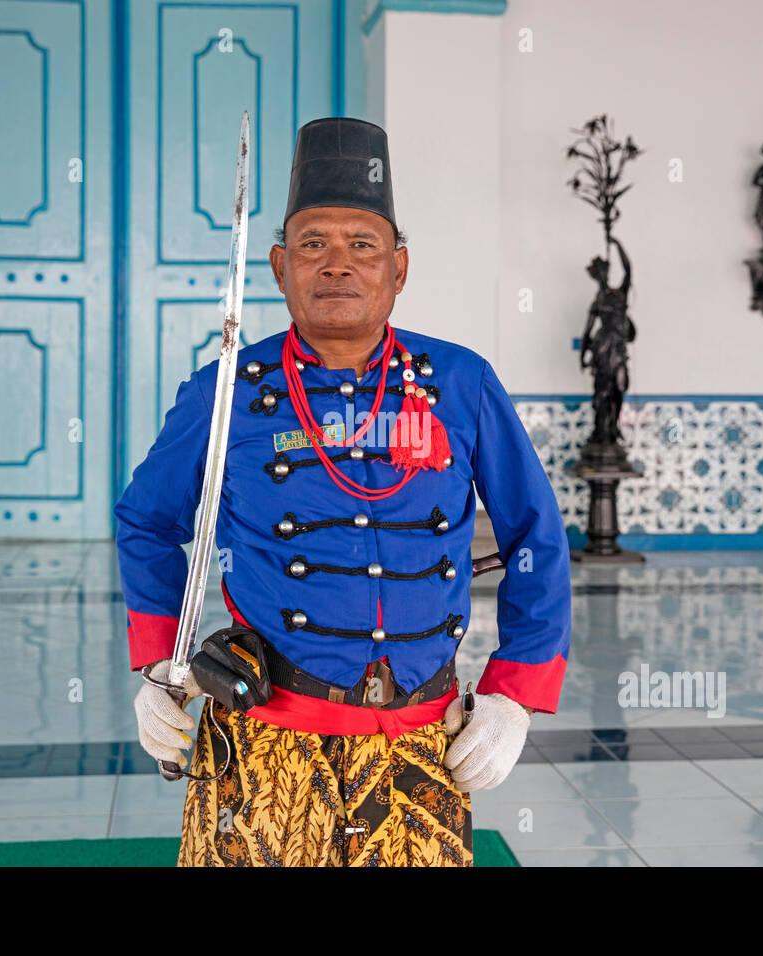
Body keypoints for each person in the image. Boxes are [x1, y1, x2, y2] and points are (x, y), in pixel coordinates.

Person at [115, 117, 570, 867]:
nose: (337, 265)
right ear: (277, 266)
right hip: (265, 743)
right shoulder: (226, 391)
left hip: (423, 744)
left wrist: (514, 695)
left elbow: (535, 538)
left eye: (362, 245)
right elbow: (146, 522)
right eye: (313, 244)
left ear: (399, 268)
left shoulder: (461, 383)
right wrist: (158, 665)